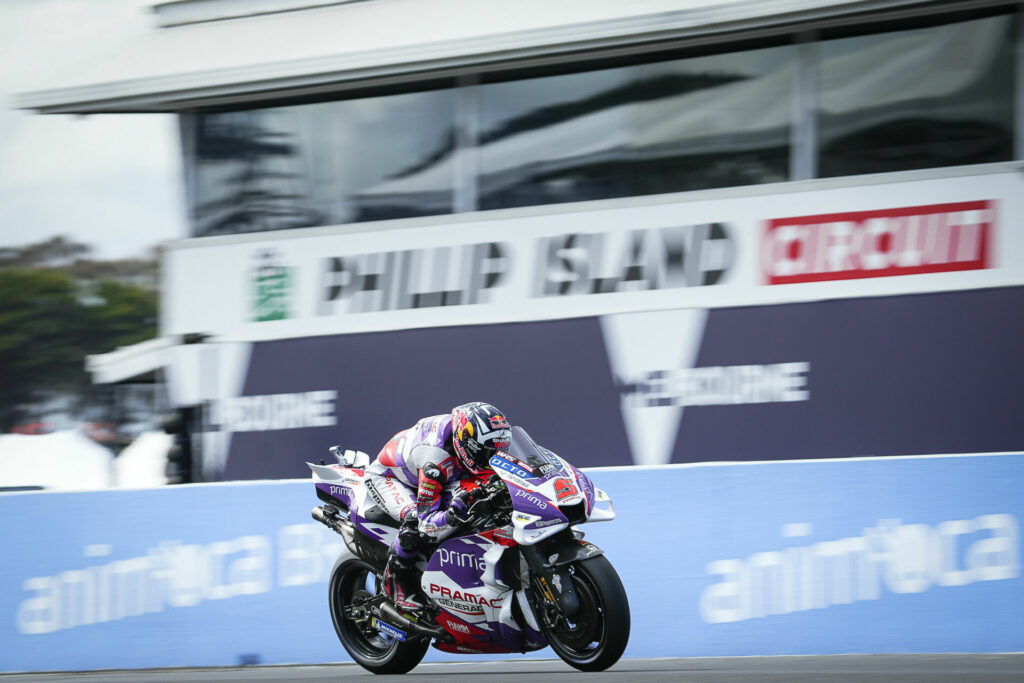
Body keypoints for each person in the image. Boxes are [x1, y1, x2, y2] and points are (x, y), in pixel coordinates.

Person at [365, 401, 512, 611]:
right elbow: (427, 525)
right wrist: (453, 515)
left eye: (499, 450)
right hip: (390, 478)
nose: (493, 459)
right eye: (486, 453)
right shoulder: (435, 459)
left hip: (440, 468)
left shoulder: (481, 438)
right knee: (414, 519)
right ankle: (396, 578)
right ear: (467, 444)